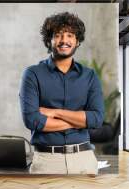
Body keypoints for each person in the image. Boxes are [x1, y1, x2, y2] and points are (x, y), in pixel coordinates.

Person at [19, 12, 104, 170]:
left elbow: (96, 119)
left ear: (77, 41)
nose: (64, 40)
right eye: (58, 35)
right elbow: (32, 120)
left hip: (84, 159)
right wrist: (79, 122)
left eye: (70, 35)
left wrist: (55, 112)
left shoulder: (89, 76)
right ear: (49, 40)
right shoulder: (32, 74)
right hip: (46, 161)